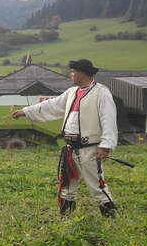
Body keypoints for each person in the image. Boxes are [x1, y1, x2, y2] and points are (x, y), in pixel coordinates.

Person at [11, 59, 119, 217]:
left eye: (73, 72)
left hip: (90, 149)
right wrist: (25, 112)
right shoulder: (71, 92)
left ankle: (111, 219)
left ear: (82, 73)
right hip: (70, 148)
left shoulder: (101, 92)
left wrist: (106, 145)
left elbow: (108, 118)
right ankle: (66, 217)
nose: (71, 74)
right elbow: (51, 105)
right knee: (67, 185)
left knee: (97, 185)